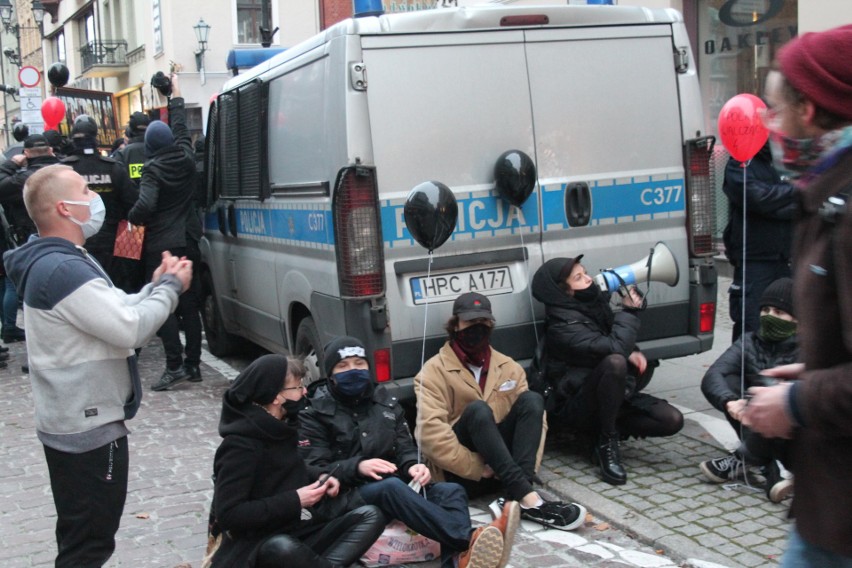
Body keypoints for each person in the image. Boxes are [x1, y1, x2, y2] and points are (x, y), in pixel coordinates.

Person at [3, 164, 190, 567]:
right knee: (88, 546)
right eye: (85, 190)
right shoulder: (61, 267)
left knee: (82, 538)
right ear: (64, 209)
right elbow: (129, 328)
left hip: (79, 422)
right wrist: (171, 288)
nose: (94, 197)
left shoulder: (64, 259)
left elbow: (112, 307)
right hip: (86, 429)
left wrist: (154, 287)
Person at [742, 24, 852, 567]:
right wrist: (810, 372)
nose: (768, 124)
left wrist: (795, 402)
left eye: (775, 109)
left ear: (808, 111)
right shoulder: (829, 193)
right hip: (829, 502)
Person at [300, 336, 519, 568]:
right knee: (390, 488)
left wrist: (412, 465)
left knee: (451, 491)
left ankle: (456, 561)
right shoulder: (313, 413)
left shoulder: (385, 402)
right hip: (345, 497)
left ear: (368, 367)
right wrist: (358, 466)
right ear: (331, 374)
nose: (352, 370)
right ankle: (469, 537)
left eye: (359, 364)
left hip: (394, 487)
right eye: (343, 366)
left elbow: (405, 447)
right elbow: (314, 467)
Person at [416, 292, 587, 531]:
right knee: (477, 410)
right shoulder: (432, 371)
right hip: (464, 475)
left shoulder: (509, 367)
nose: (477, 329)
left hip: (504, 474)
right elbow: (430, 435)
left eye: (483, 323)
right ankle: (528, 498)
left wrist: (519, 471)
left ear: (491, 325)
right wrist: (480, 469)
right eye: (469, 323)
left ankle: (519, 494)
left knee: (533, 401)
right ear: (455, 325)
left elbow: (537, 424)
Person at [210, 354, 385, 567]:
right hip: (257, 544)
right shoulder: (240, 445)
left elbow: (289, 470)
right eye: (297, 387)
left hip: (295, 529)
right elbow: (230, 514)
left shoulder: (280, 425)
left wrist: (319, 477)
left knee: (369, 516)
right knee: (282, 547)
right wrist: (296, 500)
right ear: (276, 397)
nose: (304, 392)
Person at [530, 256, 683, 486]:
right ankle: (606, 441)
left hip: (609, 397)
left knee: (672, 420)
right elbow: (614, 348)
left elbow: (613, 339)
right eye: (578, 278)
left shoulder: (593, 305)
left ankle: (600, 430)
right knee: (615, 363)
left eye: (585, 272)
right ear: (565, 291)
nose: (589, 279)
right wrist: (629, 313)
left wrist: (632, 349)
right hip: (577, 404)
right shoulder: (561, 325)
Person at [127, 74, 203, 391]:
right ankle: (194, 365)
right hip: (188, 240)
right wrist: (174, 96)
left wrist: (132, 217)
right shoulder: (185, 156)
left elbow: (145, 205)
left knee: (165, 305)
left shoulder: (152, 170)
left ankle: (174, 365)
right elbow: (182, 127)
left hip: (162, 247)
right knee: (190, 306)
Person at [699, 277, 797, 502]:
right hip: (755, 423)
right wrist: (729, 401)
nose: (770, 316)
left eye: (779, 313)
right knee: (731, 383)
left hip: (792, 432)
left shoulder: (807, 348)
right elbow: (714, 375)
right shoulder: (749, 341)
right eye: (766, 310)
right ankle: (768, 465)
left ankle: (747, 458)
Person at [722, 142, 796, 341]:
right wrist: (794, 192)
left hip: (788, 259)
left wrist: (774, 202)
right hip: (754, 261)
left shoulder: (790, 161)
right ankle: (749, 373)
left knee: (791, 327)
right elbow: (756, 198)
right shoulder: (740, 162)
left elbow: (807, 202)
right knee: (752, 329)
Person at [62, 115, 137, 288]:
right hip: (113, 243)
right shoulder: (113, 168)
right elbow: (133, 208)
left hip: (76, 243)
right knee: (117, 288)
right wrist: (130, 253)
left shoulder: (65, 170)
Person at [0, 133, 61, 343]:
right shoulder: (64, 170)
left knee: (31, 292)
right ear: (51, 150)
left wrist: (10, 165)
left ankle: (39, 343)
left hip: (30, 240)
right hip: (65, 239)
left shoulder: (22, 178)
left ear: (26, 154)